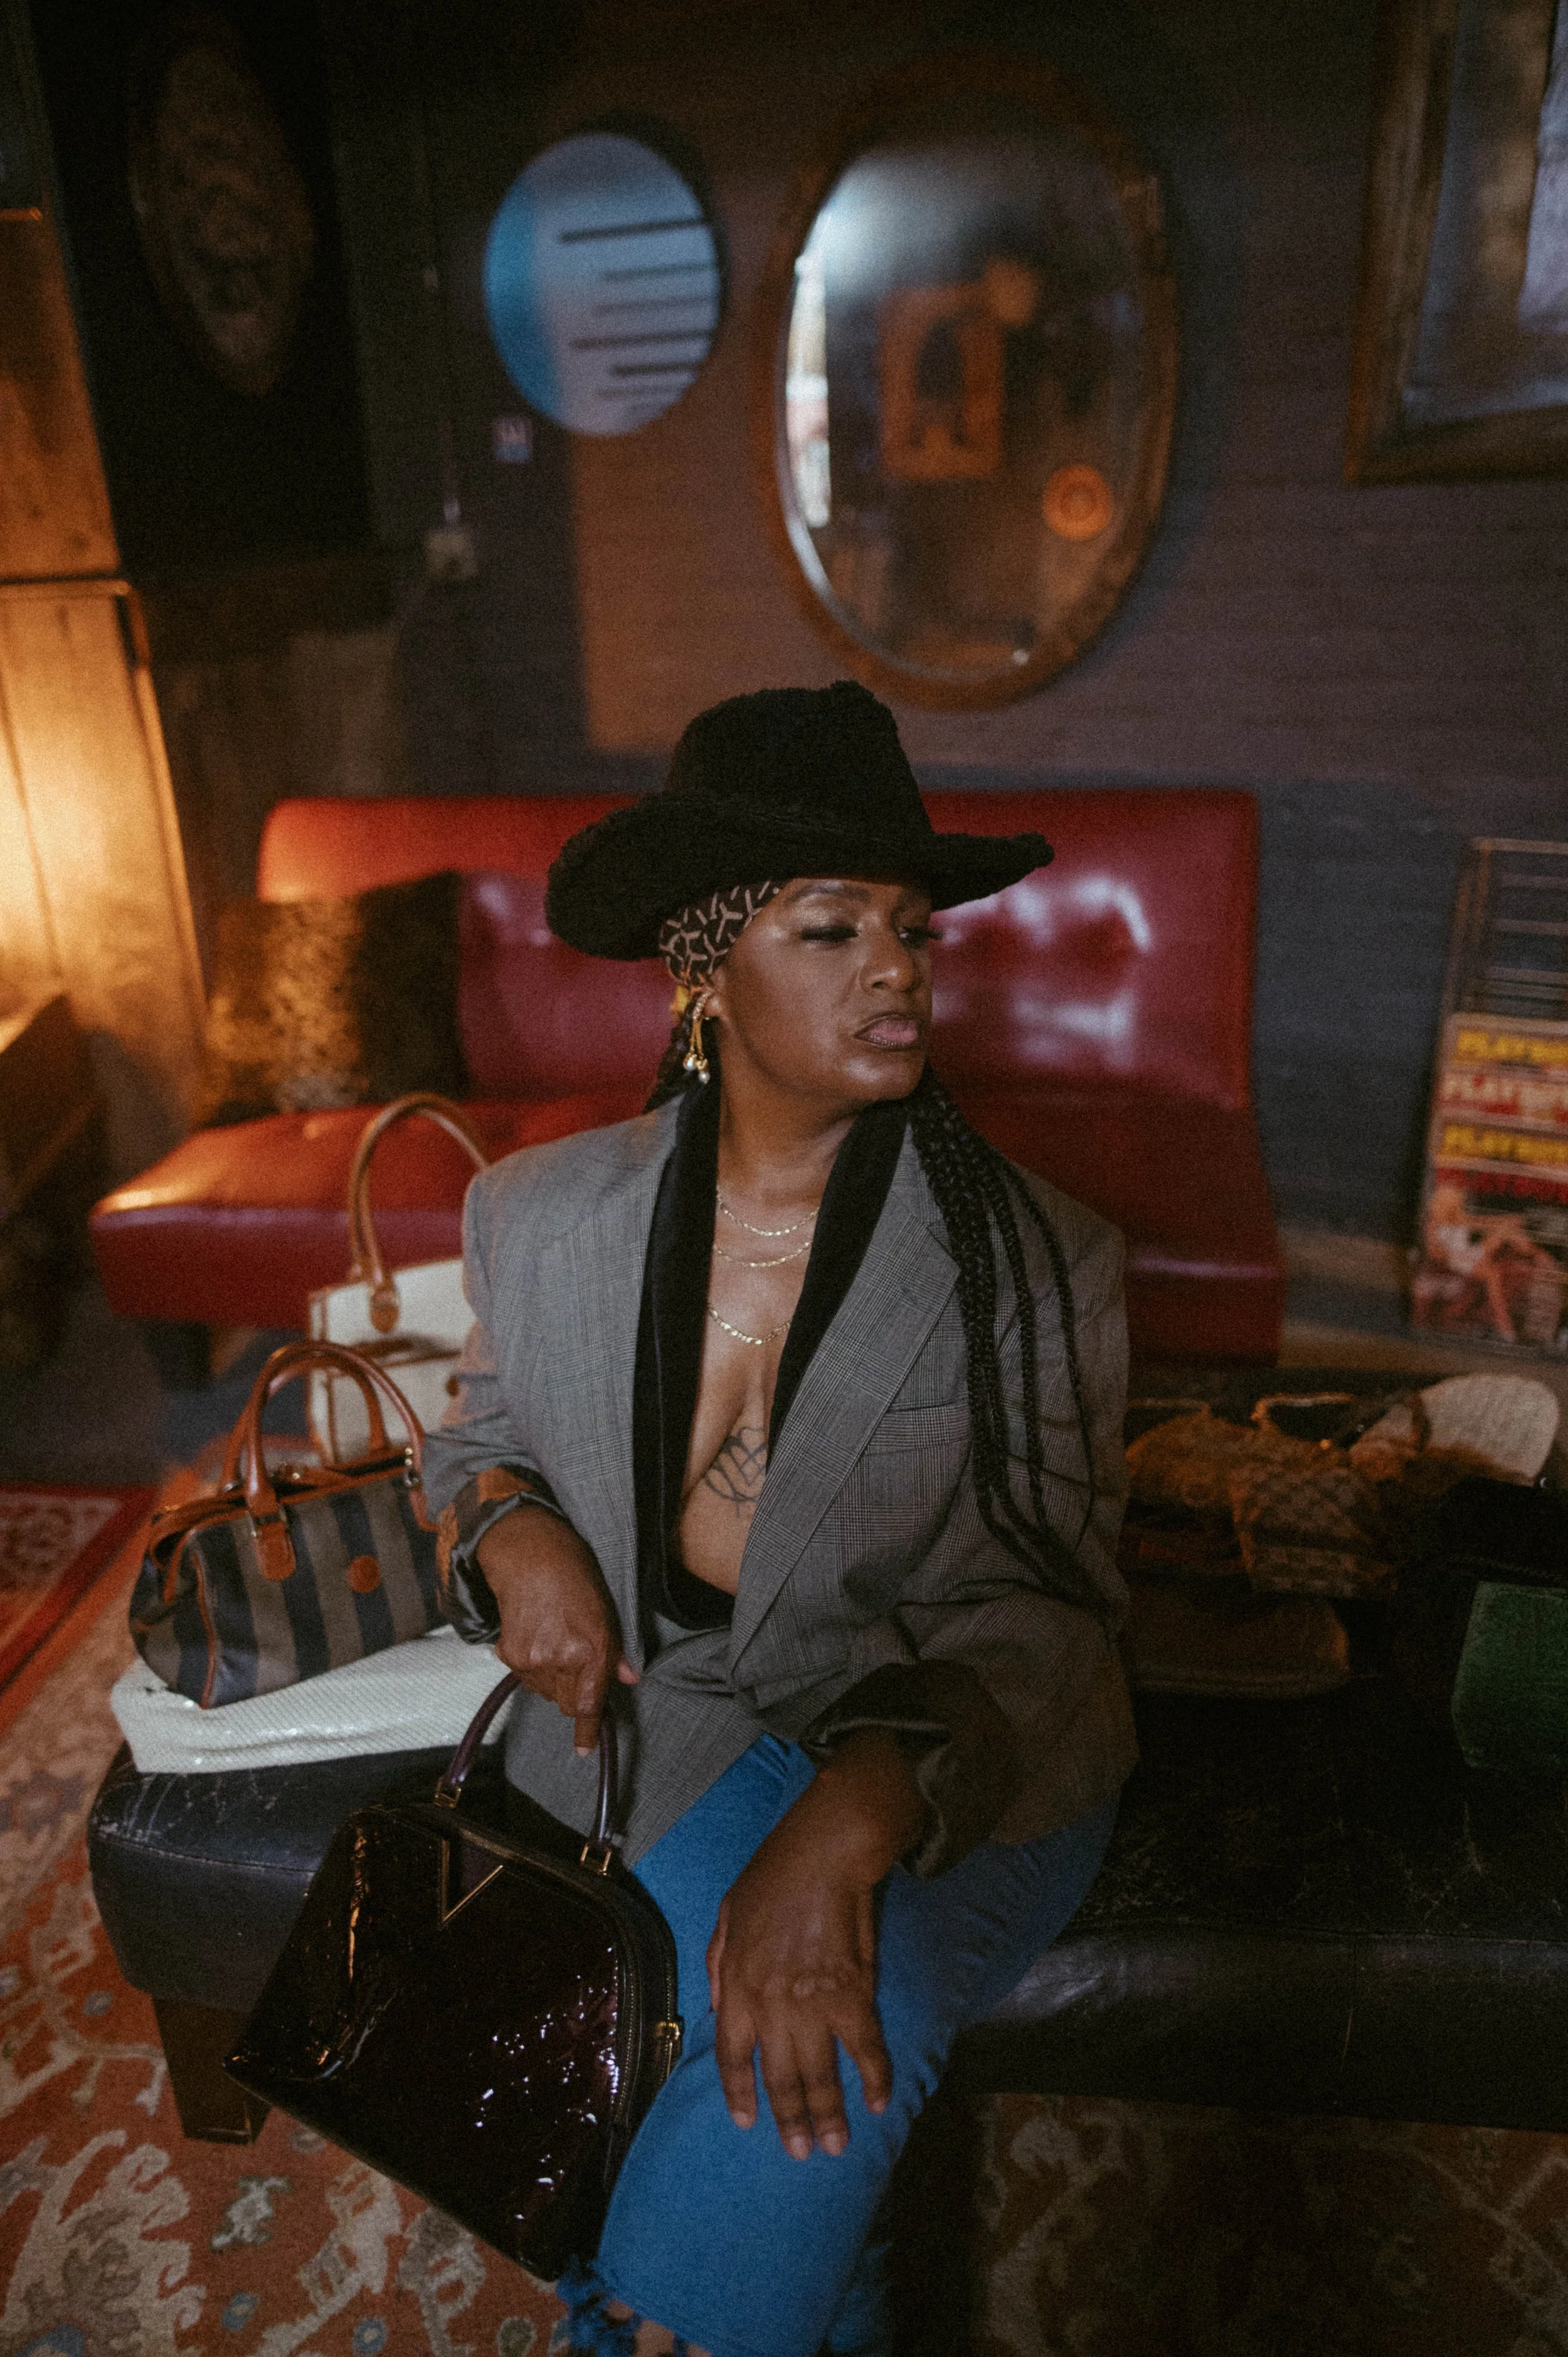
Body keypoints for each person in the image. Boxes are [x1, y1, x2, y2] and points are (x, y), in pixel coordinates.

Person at [423, 680, 1136, 2357]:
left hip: (963, 1750)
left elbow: (1046, 1622)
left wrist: (852, 1812)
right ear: (706, 968)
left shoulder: (1035, 1262)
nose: (898, 966)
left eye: (911, 930)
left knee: (824, 2031)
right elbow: (478, 1440)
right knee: (680, 2031)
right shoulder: (537, 1216)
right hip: (665, 1721)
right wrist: (515, 1534)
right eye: (831, 930)